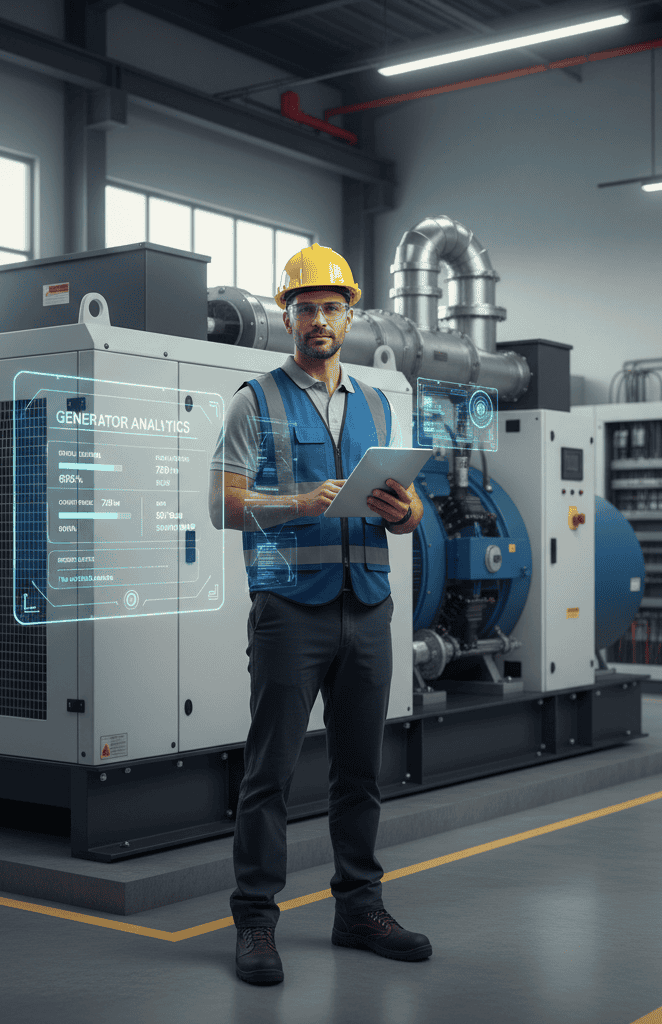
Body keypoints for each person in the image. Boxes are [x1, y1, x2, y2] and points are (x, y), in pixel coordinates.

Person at [208, 243, 432, 987]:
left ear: (349, 316)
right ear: (288, 316)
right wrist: (295, 502)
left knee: (359, 773)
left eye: (332, 307)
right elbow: (221, 505)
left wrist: (408, 511)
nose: (319, 320)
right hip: (289, 613)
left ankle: (359, 908)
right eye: (306, 308)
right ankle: (255, 922)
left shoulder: (376, 401)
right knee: (268, 772)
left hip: (368, 610)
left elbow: (405, 507)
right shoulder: (255, 399)